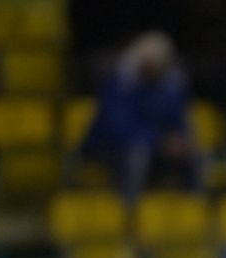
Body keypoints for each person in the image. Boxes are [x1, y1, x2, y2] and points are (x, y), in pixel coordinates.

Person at [80, 32, 200, 203]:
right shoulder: (120, 83)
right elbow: (117, 127)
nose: (154, 67)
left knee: (193, 153)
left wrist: (180, 139)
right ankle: (131, 212)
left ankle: (193, 211)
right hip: (108, 146)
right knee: (137, 154)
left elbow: (178, 120)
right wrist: (159, 140)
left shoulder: (171, 85)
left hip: (155, 148)